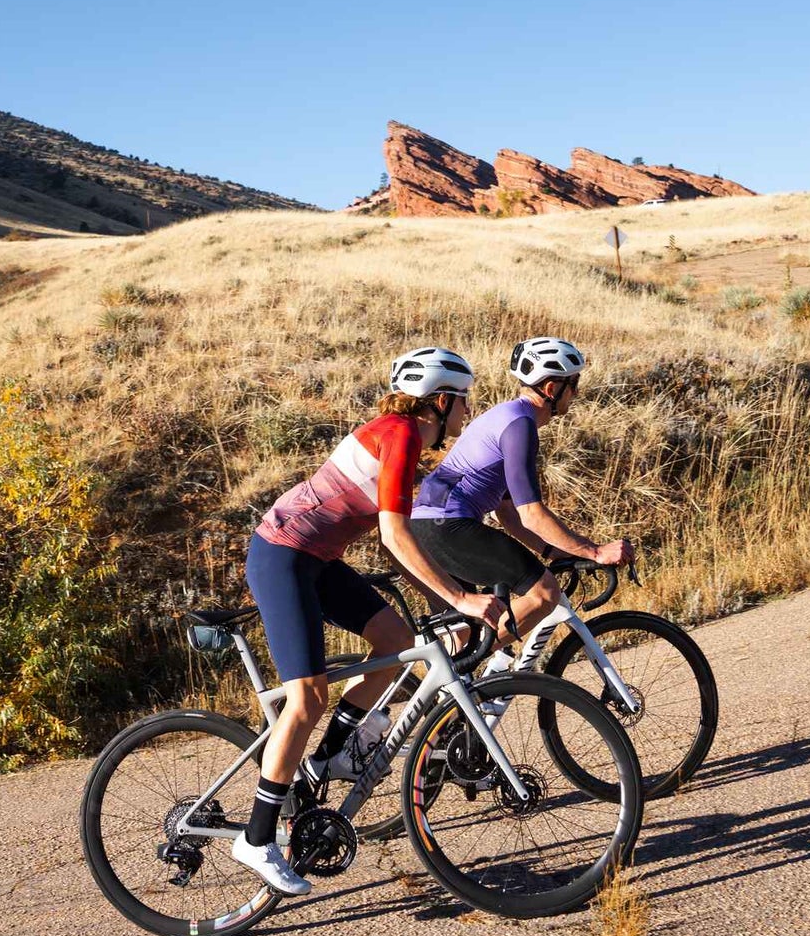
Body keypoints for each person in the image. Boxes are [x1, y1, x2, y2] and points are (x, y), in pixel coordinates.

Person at [232, 347, 510, 895]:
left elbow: (397, 544)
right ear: (441, 399)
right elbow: (396, 537)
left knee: (395, 641)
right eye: (464, 401)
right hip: (283, 555)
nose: (467, 413)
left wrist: (443, 606)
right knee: (306, 697)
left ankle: (330, 757)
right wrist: (462, 600)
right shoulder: (402, 435)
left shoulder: (404, 436)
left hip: (316, 559)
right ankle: (257, 838)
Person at [410, 337, 632, 668]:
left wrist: (553, 551)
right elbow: (531, 514)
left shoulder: (506, 416)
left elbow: (508, 514)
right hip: (449, 525)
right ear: (554, 387)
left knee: (462, 634)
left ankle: (448, 706)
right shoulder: (520, 426)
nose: (577, 392)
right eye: (575, 384)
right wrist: (594, 551)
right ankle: (457, 671)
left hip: (426, 526)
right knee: (543, 594)